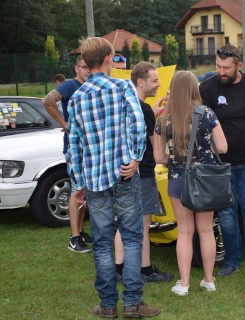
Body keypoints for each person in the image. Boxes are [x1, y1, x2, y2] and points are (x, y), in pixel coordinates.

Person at [66, 37, 159, 318]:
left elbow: (74, 145)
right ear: (108, 58)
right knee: (132, 239)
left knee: (104, 243)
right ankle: (132, 303)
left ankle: (108, 306)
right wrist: (134, 157)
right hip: (125, 175)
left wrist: (78, 184)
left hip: (95, 180)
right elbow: (138, 125)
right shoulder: (121, 88)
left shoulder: (78, 97)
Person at [199, 45, 245, 281]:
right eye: (218, 67)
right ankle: (232, 261)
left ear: (239, 66)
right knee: (228, 215)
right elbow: (201, 122)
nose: (221, 72)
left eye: (226, 68)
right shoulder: (208, 88)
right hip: (221, 165)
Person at [153, 70, 228, 296]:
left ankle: (184, 283)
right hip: (205, 180)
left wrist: (176, 159)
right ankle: (208, 280)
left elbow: (158, 158)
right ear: (194, 88)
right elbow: (223, 148)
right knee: (206, 230)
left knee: (184, 232)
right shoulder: (207, 113)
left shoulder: (164, 119)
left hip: (178, 179)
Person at [114, 61, 174, 284]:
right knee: (143, 224)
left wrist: (155, 115)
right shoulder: (144, 109)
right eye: (155, 80)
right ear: (141, 82)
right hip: (143, 173)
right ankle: (145, 270)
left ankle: (119, 268)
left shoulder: (126, 105)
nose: (159, 85)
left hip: (123, 172)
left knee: (124, 222)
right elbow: (153, 143)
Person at [42, 56, 92, 253]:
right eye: (84, 67)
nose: (88, 71)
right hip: (74, 146)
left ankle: (80, 230)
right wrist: (64, 124)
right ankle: (74, 238)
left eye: (90, 67)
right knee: (77, 190)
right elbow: (47, 100)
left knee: (85, 190)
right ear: (76, 69)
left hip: (88, 146)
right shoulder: (70, 86)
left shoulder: (91, 86)